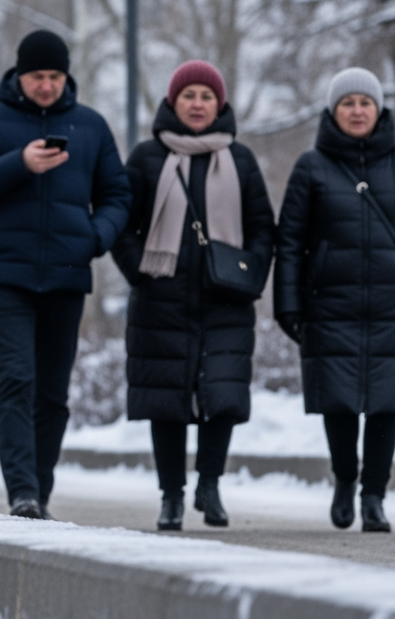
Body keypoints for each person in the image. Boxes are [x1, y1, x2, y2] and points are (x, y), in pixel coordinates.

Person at [0, 29, 132, 519]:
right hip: (5, 273)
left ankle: (40, 494)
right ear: (19, 75)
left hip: (68, 273)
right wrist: (20, 162)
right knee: (16, 379)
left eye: (54, 76)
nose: (46, 85)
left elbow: (118, 194)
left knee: (52, 393)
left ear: (66, 76)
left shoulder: (90, 126)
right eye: (36, 76)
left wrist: (95, 237)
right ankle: (22, 492)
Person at [274, 67, 395, 532]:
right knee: (340, 403)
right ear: (333, 112)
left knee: (387, 405)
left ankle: (374, 497)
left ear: (378, 109)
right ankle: (345, 481)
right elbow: (289, 240)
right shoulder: (311, 167)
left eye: (364, 103)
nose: (356, 111)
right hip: (330, 304)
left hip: (393, 306)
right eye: (347, 103)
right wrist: (287, 304)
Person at [111, 60, 275, 531]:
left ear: (219, 103)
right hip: (161, 298)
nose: (198, 104)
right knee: (167, 402)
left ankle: (210, 484)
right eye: (189, 96)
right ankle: (171, 497)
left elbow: (264, 226)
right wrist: (139, 272)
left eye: (207, 96)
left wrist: (253, 272)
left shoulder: (240, 159)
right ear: (173, 102)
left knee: (221, 396)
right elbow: (120, 224)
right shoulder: (146, 157)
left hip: (226, 299)